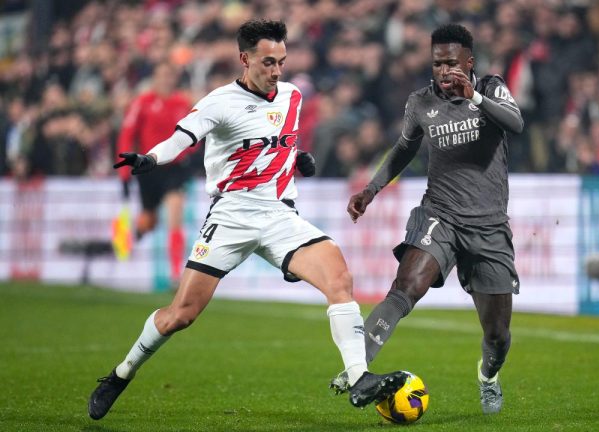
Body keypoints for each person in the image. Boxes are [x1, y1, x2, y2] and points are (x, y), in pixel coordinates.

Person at [88, 19, 406, 421]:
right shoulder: (219, 102)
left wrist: (297, 158)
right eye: (268, 62)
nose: (276, 71)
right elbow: (182, 138)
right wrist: (151, 158)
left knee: (339, 278)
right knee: (180, 315)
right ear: (245, 59)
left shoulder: (292, 95)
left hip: (278, 217)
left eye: (282, 61)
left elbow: (279, 141)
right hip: (231, 217)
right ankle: (120, 373)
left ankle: (359, 378)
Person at [330, 23, 524, 415]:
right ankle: (357, 368)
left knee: (498, 335)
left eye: (451, 63)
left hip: (488, 225)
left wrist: (475, 98)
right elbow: (404, 148)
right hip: (441, 214)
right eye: (437, 63)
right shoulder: (421, 102)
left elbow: (516, 124)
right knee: (406, 285)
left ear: (469, 62)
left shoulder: (490, 88)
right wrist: (371, 189)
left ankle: (488, 377)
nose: (443, 71)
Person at [115, 62, 195, 280]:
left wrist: (191, 153)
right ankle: (132, 235)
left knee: (175, 209)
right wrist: (124, 171)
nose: (165, 80)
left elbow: (195, 133)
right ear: (154, 79)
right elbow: (127, 134)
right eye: (161, 76)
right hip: (149, 168)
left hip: (174, 169)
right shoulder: (142, 102)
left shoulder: (182, 103)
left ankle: (176, 272)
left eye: (169, 76)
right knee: (149, 221)